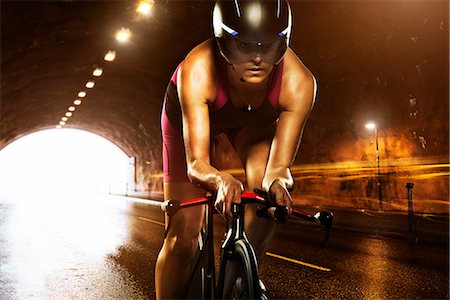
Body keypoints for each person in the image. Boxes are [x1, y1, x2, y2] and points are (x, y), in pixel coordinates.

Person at [156, 0, 316, 298]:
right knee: (183, 237)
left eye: (269, 46)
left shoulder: (299, 83)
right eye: (242, 46)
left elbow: (277, 171)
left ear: (284, 43)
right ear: (222, 43)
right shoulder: (197, 69)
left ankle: (238, 283)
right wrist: (220, 179)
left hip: (250, 123)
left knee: (268, 201)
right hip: (189, 118)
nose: (257, 57)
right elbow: (197, 164)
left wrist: (278, 185)